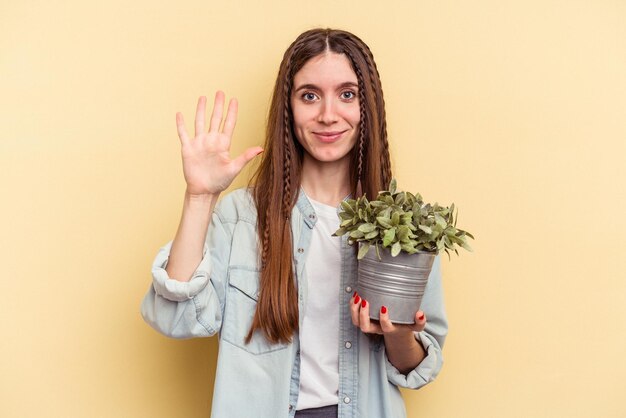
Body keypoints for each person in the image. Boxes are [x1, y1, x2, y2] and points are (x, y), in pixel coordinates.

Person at [141, 28, 447, 418]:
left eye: (347, 94)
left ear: (367, 106)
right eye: (310, 96)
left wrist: (399, 334)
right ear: (289, 107)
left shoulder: (402, 228)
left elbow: (419, 365)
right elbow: (175, 319)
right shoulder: (241, 216)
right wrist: (199, 197)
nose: (328, 114)